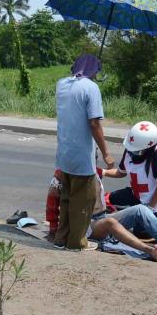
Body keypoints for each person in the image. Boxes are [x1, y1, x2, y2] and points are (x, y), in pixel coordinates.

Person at [54, 54, 114, 250]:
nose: (98, 74)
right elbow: (94, 122)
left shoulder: (61, 84)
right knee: (84, 200)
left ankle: (60, 239)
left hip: (64, 153)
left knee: (67, 198)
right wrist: (106, 152)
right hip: (81, 156)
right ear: (93, 70)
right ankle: (76, 243)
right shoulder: (91, 88)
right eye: (97, 70)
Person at [103, 121, 157, 228]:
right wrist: (102, 172)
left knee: (142, 231)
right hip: (139, 194)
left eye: (136, 151)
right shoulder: (131, 149)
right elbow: (120, 172)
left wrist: (149, 209)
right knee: (105, 200)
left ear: (148, 148)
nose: (131, 153)